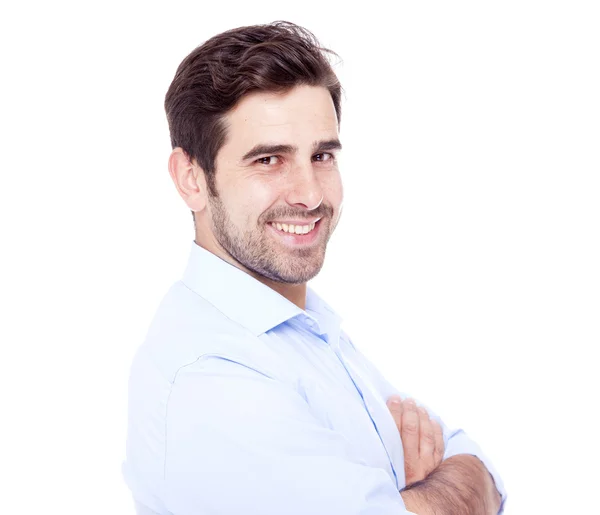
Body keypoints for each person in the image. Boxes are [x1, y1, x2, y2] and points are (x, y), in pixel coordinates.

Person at [122, 21, 506, 515]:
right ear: (191, 179)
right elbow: (473, 483)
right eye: (268, 161)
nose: (309, 194)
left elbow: (480, 464)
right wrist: (437, 487)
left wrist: (427, 491)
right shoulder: (212, 378)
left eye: (321, 155)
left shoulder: (301, 326)